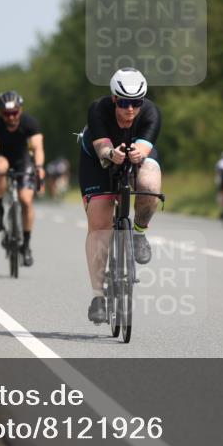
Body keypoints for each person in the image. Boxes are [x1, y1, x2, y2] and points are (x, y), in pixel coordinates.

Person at [78, 67, 162, 324]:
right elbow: (103, 148)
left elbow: (145, 147)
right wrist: (110, 154)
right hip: (98, 160)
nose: (130, 110)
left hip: (136, 156)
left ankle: (138, 232)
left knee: (148, 182)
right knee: (100, 226)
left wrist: (138, 154)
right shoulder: (98, 109)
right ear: (115, 98)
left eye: (136, 103)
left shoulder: (150, 113)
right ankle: (98, 297)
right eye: (124, 102)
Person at [0, 91, 45, 266]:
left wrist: (39, 167)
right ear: (0, 113)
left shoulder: (30, 123)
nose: (11, 117)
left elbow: (38, 148)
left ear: (20, 110)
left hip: (23, 159)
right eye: (6, 114)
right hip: (3, 157)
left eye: (14, 113)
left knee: (26, 200)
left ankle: (25, 246)